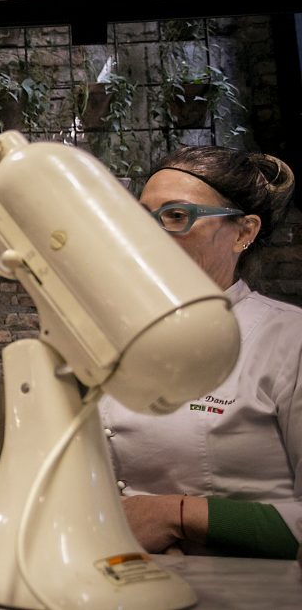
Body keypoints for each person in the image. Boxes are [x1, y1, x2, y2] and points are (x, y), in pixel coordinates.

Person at [99, 145, 300, 559]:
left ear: (244, 232)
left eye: (177, 215)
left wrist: (175, 514)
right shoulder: (110, 337)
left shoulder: (288, 339)